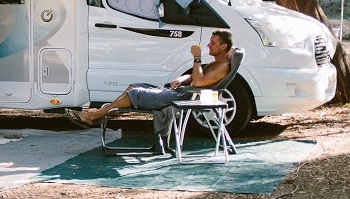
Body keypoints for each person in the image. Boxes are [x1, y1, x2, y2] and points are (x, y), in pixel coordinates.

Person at [70, 30, 234, 127]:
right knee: (133, 86)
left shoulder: (222, 66)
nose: (208, 45)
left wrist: (197, 58)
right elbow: (193, 76)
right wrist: (180, 78)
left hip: (183, 97)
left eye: (213, 43)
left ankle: (95, 116)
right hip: (179, 91)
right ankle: (102, 115)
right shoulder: (215, 63)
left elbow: (198, 82)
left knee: (134, 93)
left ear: (223, 46)